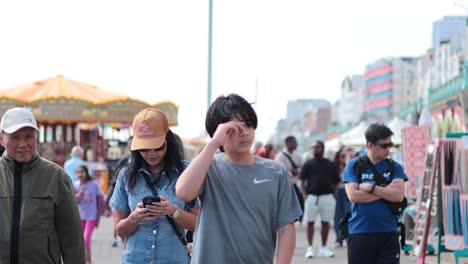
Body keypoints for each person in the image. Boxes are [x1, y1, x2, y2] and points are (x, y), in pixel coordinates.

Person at [175, 94, 302, 264]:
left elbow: (286, 228)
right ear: (219, 132)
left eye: (249, 125)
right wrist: (213, 144)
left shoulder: (275, 172)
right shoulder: (208, 167)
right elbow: (183, 192)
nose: (245, 133)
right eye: (234, 129)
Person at [110, 108, 199, 264]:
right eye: (144, 148)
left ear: (168, 142)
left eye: (157, 147)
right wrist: (134, 218)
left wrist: (174, 211)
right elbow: (120, 230)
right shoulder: (126, 175)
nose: (151, 153)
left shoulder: (186, 172)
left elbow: (199, 225)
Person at [0, 107, 85, 264]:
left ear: (36, 137)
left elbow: (72, 238)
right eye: (15, 138)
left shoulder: (57, 177)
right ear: (1, 139)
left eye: (28, 137)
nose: (23, 144)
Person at [343, 123, 408, 264]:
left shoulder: (394, 167)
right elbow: (353, 196)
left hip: (388, 232)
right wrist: (387, 190)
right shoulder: (354, 165)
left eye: (390, 144)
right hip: (360, 231)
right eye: (384, 146)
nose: (388, 149)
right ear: (370, 145)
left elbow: (398, 196)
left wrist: (372, 188)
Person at [299, 140, 341, 258]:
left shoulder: (330, 164)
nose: (314, 149)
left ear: (322, 148)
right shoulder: (308, 163)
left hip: (327, 196)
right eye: (313, 147)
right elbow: (301, 180)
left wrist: (334, 195)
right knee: (310, 222)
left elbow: (337, 181)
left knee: (325, 222)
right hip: (312, 196)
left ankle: (323, 248)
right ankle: (310, 248)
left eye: (317, 147)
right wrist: (305, 195)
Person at [105, 136, 133, 247]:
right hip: (124, 201)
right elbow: (114, 181)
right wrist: (107, 199)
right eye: (130, 143)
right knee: (122, 227)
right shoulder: (124, 162)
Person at [74, 165, 104, 264]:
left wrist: (98, 218)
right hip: (80, 217)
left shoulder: (93, 184)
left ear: (86, 173)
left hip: (91, 216)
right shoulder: (76, 185)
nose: (80, 174)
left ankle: (88, 262)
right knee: (80, 242)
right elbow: (74, 202)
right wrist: (79, 194)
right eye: (78, 172)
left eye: (82, 172)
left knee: (86, 240)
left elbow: (100, 200)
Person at [275, 136, 304, 221]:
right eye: (294, 142)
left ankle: (297, 218)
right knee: (287, 203)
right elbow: (281, 170)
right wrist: (292, 172)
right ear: (288, 143)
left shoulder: (297, 155)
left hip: (296, 184)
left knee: (299, 202)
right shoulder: (280, 156)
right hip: (285, 184)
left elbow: (303, 167)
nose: (296, 144)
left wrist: (296, 170)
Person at [332, 146, 353, 248]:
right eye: (342, 156)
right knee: (337, 216)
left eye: (346, 156)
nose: (344, 158)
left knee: (348, 214)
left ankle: (348, 237)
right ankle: (338, 238)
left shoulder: (351, 166)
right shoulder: (334, 167)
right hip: (337, 192)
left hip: (348, 191)